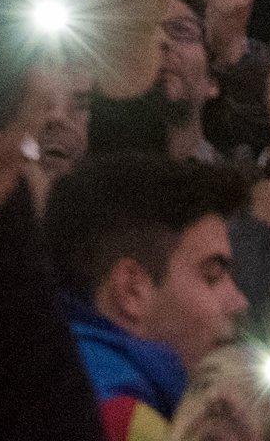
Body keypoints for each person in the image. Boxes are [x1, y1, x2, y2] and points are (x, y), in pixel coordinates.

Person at [43, 153, 246, 438]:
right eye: (211, 276)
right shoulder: (122, 422)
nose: (239, 301)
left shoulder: (28, 375)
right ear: (131, 290)